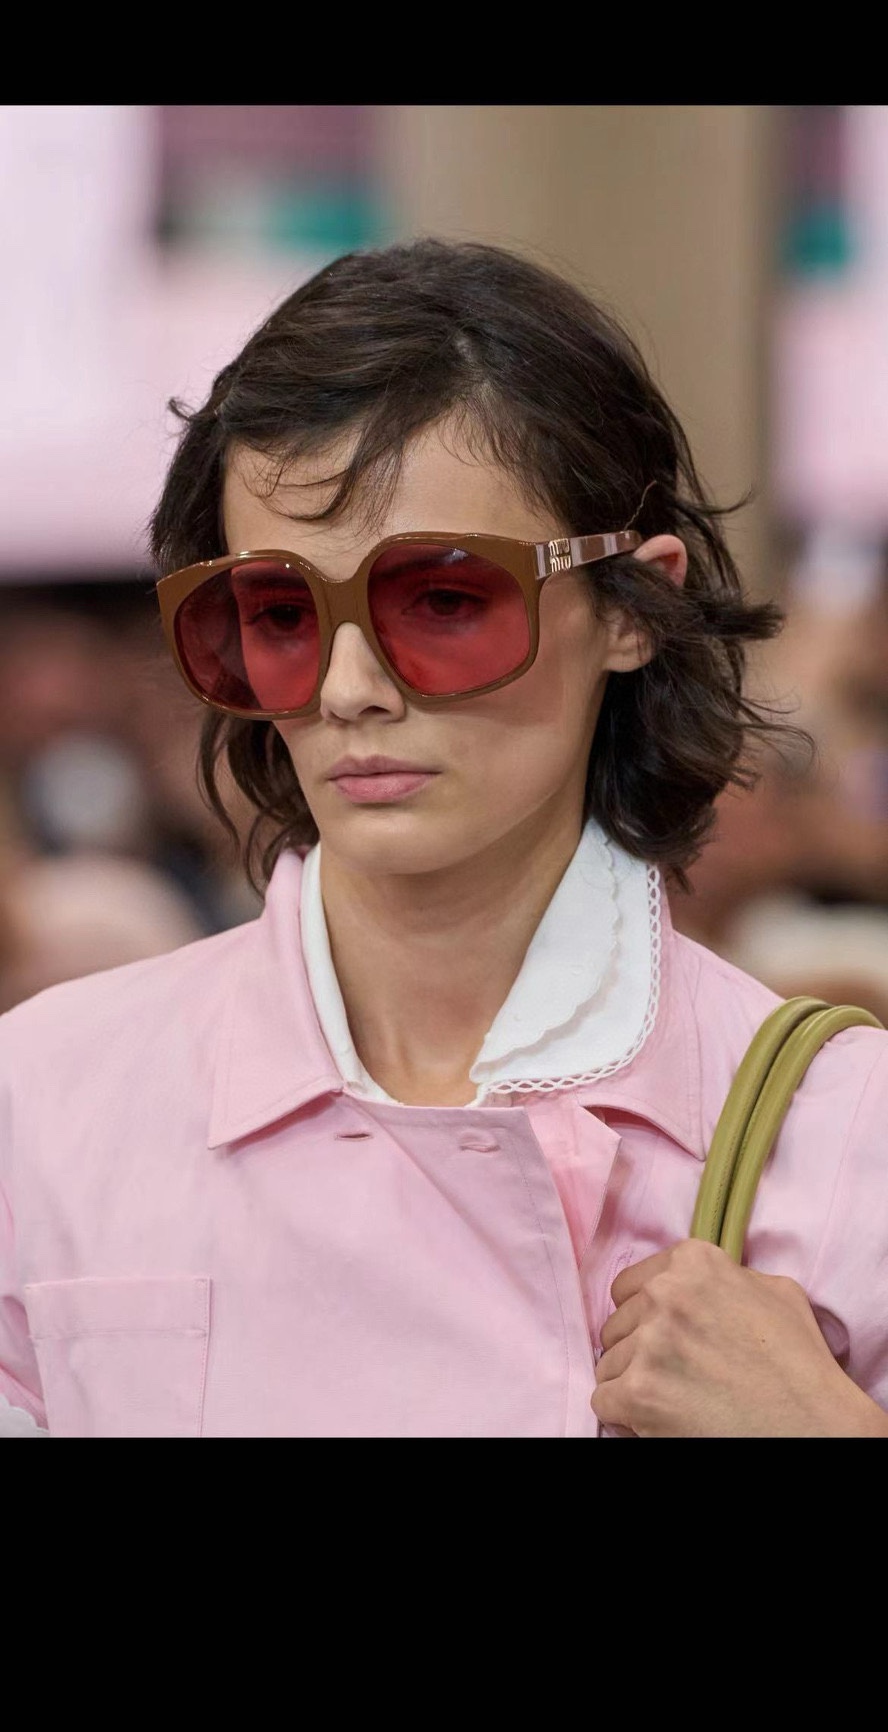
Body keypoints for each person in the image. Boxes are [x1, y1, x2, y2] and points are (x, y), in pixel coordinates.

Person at [2, 238, 887, 1440]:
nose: (351, 688)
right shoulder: (50, 1100)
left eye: (446, 600)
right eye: (277, 613)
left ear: (633, 607)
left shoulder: (840, 1133)